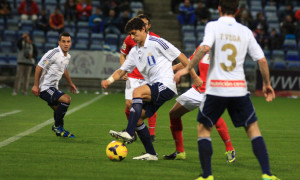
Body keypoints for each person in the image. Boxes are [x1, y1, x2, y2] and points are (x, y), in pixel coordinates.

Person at [174, 0, 280, 179]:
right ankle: (267, 174)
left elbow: (204, 48)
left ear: (219, 9)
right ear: (237, 11)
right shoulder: (245, 31)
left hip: (216, 89)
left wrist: (186, 68)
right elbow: (261, 60)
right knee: (253, 129)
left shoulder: (213, 26)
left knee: (204, 128)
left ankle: (207, 175)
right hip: (239, 89)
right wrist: (267, 84)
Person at [102, 17, 202, 160]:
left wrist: (195, 77)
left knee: (137, 92)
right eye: (130, 34)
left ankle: (129, 133)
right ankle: (151, 153)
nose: (132, 37)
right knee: (138, 119)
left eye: (134, 33)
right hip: (155, 86)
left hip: (166, 84)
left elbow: (182, 57)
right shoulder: (135, 52)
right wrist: (109, 80)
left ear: (143, 29)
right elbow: (121, 71)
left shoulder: (157, 42)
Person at [163, 47, 235, 163]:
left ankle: (230, 149)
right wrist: (172, 69)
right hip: (197, 89)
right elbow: (189, 63)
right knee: (173, 114)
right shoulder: (202, 48)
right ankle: (180, 152)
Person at [120, 14, 159, 142]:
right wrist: (124, 70)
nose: (142, 26)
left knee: (149, 106)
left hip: (149, 77)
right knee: (128, 104)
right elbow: (123, 55)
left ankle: (151, 133)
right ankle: (133, 130)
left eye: (144, 23)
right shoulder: (130, 38)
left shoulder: (156, 39)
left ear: (148, 26)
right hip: (133, 76)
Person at [31, 32, 77, 138]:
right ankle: (57, 126)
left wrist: (70, 83)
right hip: (45, 87)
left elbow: (64, 69)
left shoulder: (67, 56)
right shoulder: (53, 53)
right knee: (66, 99)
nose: (66, 44)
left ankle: (59, 130)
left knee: (58, 109)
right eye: (63, 41)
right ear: (59, 43)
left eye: (68, 41)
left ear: (71, 43)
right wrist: (35, 85)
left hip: (53, 87)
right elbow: (39, 67)